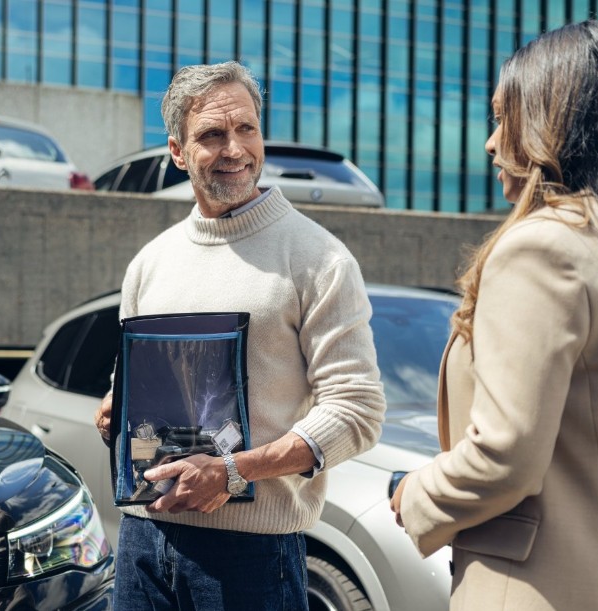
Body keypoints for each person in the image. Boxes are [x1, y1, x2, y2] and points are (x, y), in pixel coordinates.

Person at [389, 20, 598, 611]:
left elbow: (505, 457)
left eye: (505, 117)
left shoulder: (542, 248)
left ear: (556, 124)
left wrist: (413, 495)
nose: (492, 143)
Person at [92, 60, 387, 610]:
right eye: (212, 134)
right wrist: (116, 405)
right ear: (178, 152)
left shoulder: (318, 258)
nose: (235, 149)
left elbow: (357, 409)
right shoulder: (150, 263)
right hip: (141, 542)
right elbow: (127, 380)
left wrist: (231, 474)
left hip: (252, 556)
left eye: (246, 128)